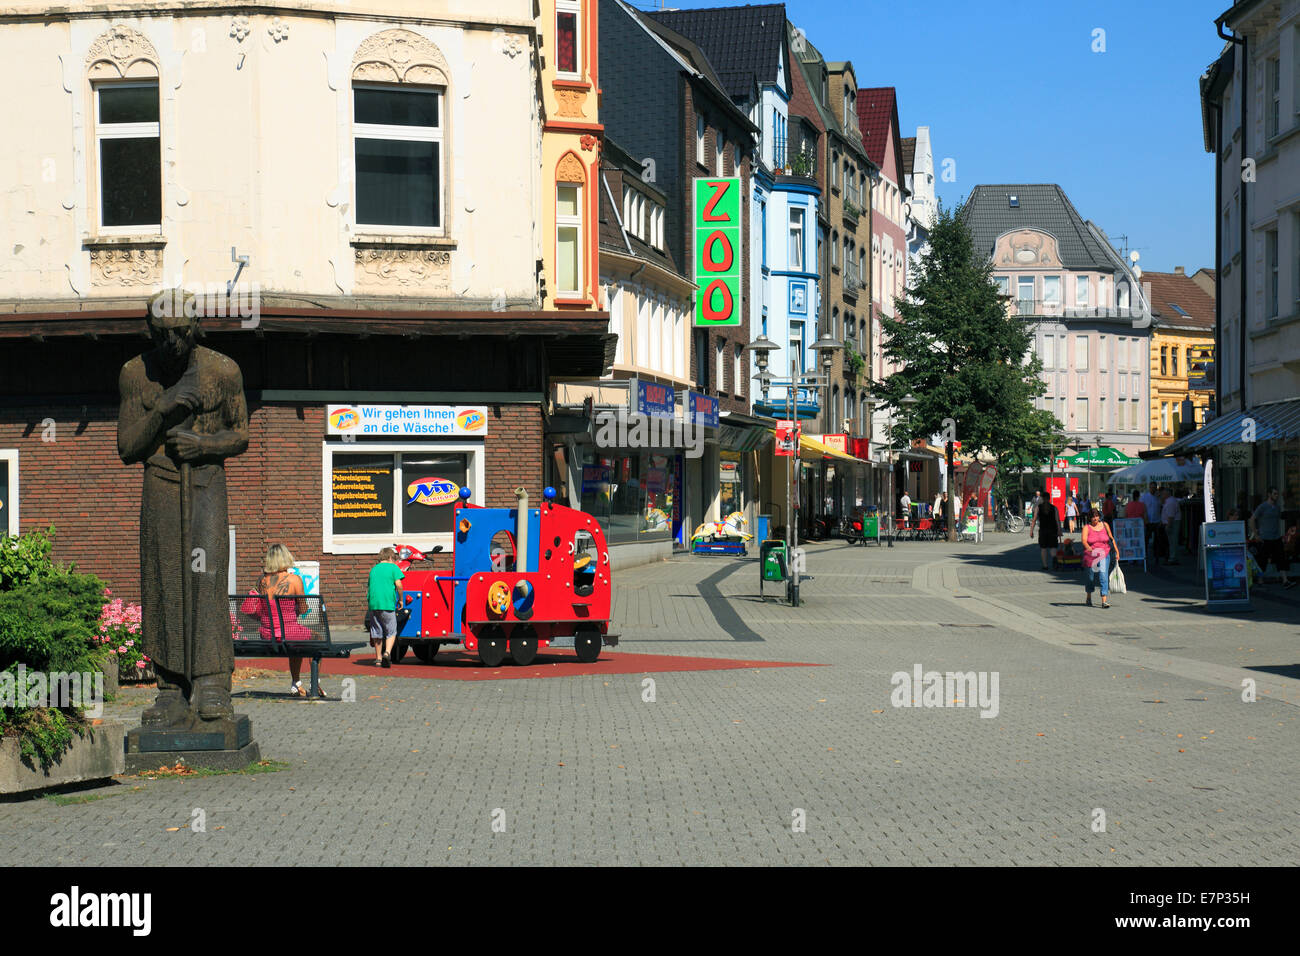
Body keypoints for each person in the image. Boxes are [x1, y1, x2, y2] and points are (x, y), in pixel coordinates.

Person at [117, 306, 249, 727]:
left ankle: (212, 683)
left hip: (206, 482)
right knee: (163, 580)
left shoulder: (223, 370)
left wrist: (204, 445)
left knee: (205, 577)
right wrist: (162, 410)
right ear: (150, 332)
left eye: (179, 333)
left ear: (194, 329)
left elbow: (241, 433)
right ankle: (171, 687)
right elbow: (127, 447)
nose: (171, 343)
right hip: (159, 483)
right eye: (161, 334)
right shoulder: (135, 374)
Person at [239, 544, 316, 696]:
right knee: (316, 638)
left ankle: (296, 684)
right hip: (288, 632)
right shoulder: (295, 580)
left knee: (296, 640)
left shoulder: (262, 581)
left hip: (267, 634)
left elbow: (260, 610)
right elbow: (302, 609)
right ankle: (314, 683)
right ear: (286, 558)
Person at [1249, 487, 1296, 589]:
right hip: (1265, 538)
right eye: (1274, 494)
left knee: (1281, 558)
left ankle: (1285, 580)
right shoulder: (1262, 507)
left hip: (1276, 537)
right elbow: (1252, 520)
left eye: (1277, 494)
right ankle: (1260, 580)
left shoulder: (1277, 507)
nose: (1276, 496)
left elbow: (1280, 517)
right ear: (1269, 494)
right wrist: (1256, 535)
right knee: (1262, 560)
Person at [367, 547, 406, 666]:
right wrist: (400, 599)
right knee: (391, 630)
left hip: (373, 604)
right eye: (394, 558)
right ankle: (387, 653)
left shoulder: (373, 570)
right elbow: (399, 585)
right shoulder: (393, 567)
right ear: (390, 557)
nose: (394, 561)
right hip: (387, 603)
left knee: (376, 630)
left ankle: (378, 658)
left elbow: (369, 588)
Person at [1082, 509, 1121, 608]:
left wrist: (1116, 551)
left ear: (1099, 516)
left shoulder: (1105, 525)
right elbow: (1084, 540)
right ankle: (1089, 596)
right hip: (1092, 555)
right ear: (1089, 518)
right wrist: (1089, 548)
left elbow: (1111, 538)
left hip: (1104, 553)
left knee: (1103, 575)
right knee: (1090, 578)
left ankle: (1104, 600)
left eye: (1096, 516)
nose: (1095, 518)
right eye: (1093, 517)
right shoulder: (1087, 527)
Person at [1031, 489, 1060, 570]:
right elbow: (1057, 520)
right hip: (1052, 530)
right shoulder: (1054, 508)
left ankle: (1045, 565)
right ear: (1049, 498)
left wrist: (1031, 531)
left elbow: (1034, 519)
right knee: (1053, 547)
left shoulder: (1038, 508)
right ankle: (1054, 560)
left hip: (1043, 530)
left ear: (1042, 499)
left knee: (1043, 548)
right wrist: (1059, 530)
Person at [1141, 481, 1162, 565]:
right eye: (1151, 487)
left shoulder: (1158, 497)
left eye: (1154, 488)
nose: (1153, 489)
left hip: (1157, 521)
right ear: (1149, 488)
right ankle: (1145, 556)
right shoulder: (1145, 497)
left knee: (1157, 540)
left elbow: (1161, 506)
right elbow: (1141, 507)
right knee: (1146, 539)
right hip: (1148, 521)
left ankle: (1156, 557)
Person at [1160, 488, 1182, 566]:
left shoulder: (1170, 502)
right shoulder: (1169, 501)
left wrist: (1168, 526)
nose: (1161, 495)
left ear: (1167, 494)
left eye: (1163, 494)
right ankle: (1172, 557)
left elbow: (1171, 516)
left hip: (1172, 523)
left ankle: (1173, 558)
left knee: (1173, 541)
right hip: (1171, 522)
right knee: (1172, 541)